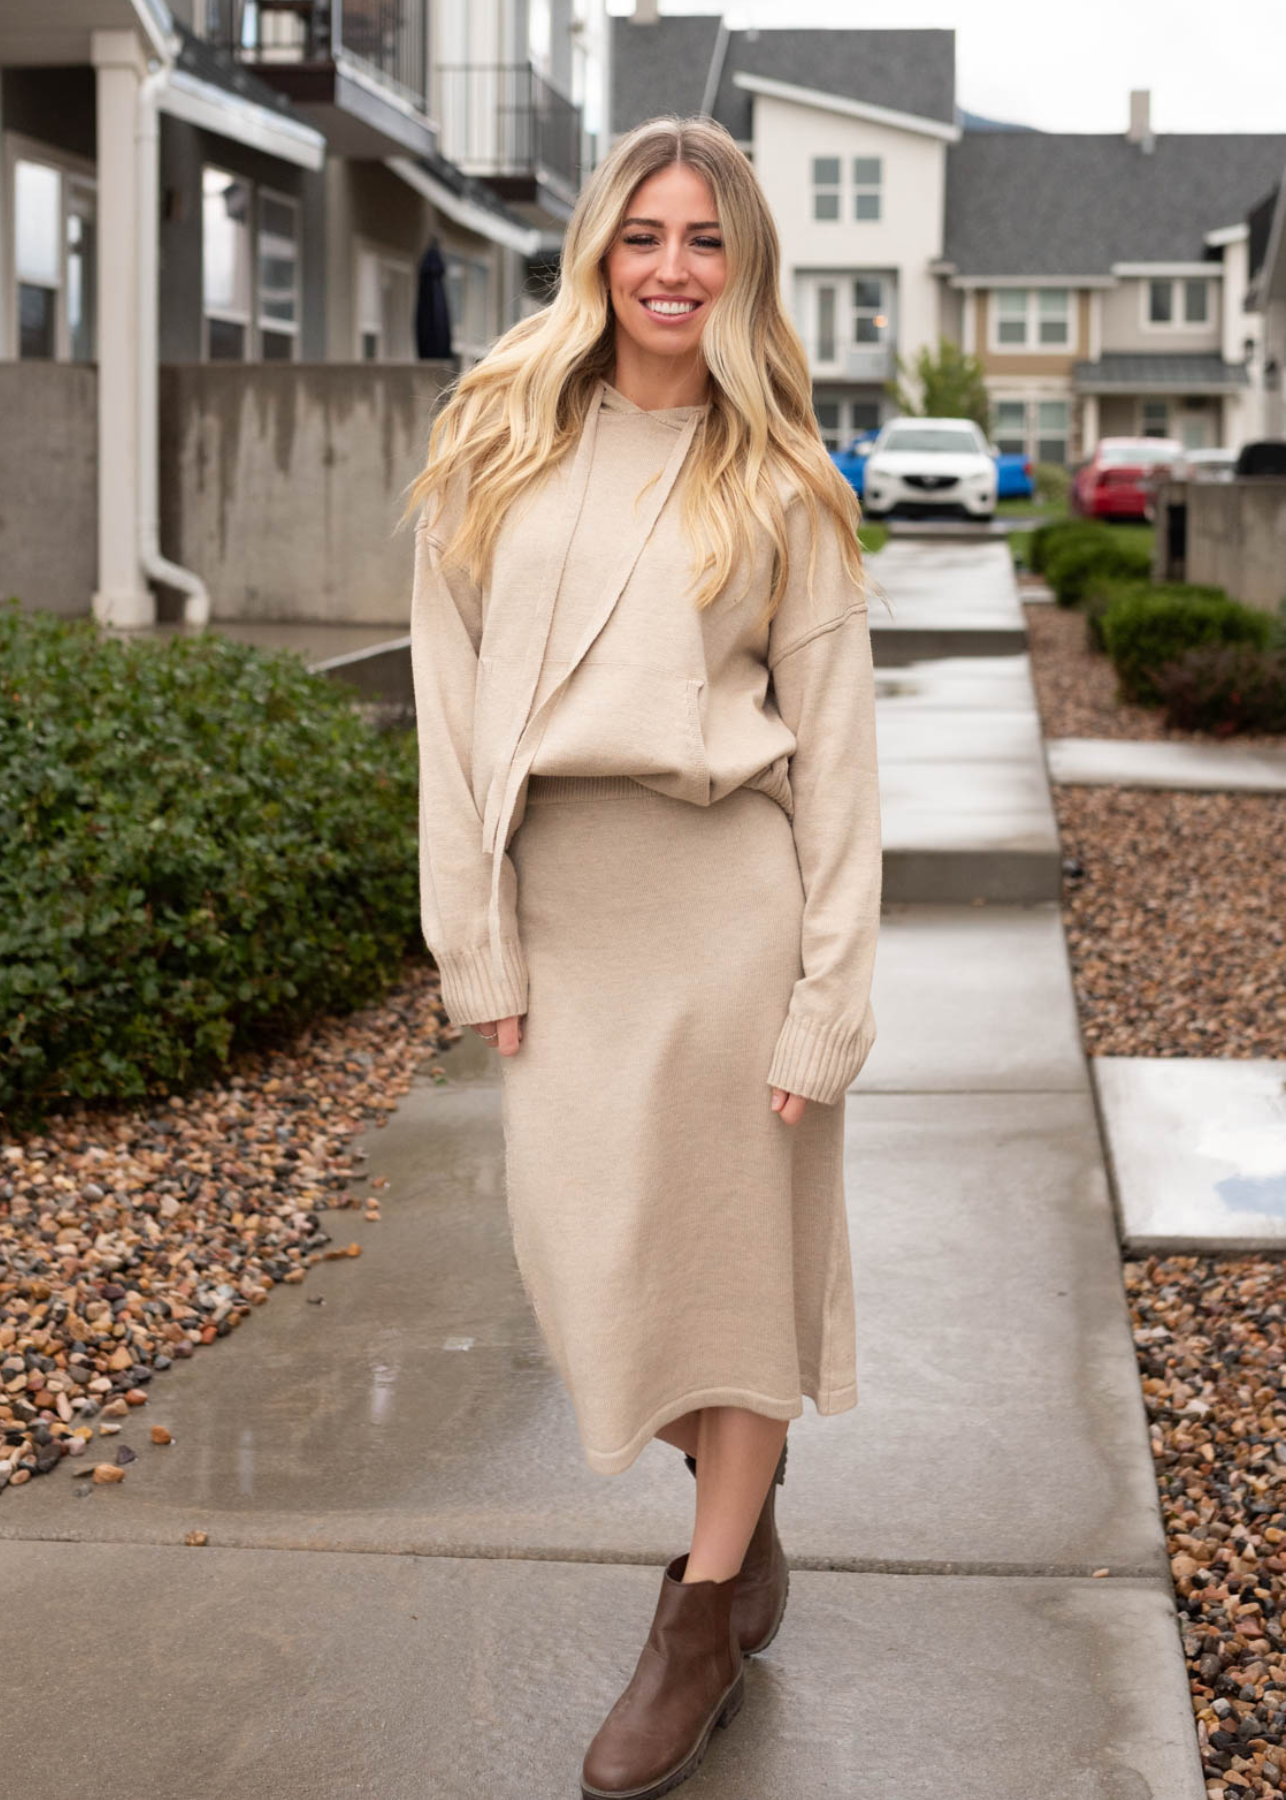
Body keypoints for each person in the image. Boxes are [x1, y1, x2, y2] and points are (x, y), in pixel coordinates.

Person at [405, 113, 883, 1800]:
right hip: (568, 917)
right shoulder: (492, 453)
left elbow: (835, 757)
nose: (671, 271)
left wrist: (832, 993)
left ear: (742, 271)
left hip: (730, 916)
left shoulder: (783, 485)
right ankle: (738, 1527)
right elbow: (448, 723)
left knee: (735, 1272)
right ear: (598, 251)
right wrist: (477, 942)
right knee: (600, 1269)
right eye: (644, 236)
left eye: (705, 243)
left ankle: (695, 1619)